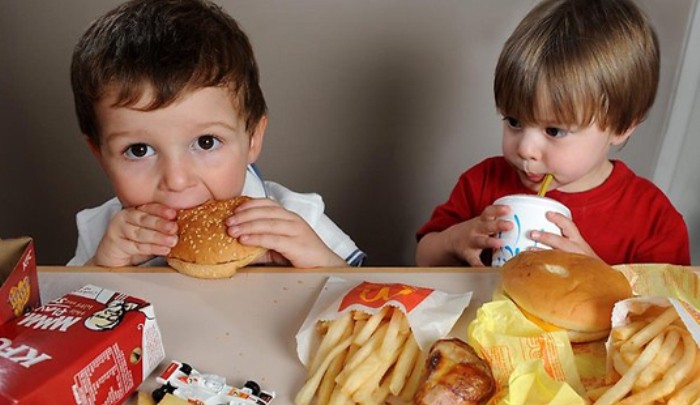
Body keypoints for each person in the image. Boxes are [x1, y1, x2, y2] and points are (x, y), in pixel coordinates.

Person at [68, 0, 365, 268]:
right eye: (139, 150)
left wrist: (320, 264)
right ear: (100, 155)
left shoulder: (298, 217)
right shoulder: (102, 232)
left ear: (252, 139)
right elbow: (59, 319)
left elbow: (366, 300)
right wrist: (101, 269)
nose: (177, 180)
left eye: (206, 142)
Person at [416, 0, 690, 267]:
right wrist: (453, 241)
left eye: (554, 130)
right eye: (514, 121)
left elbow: (671, 308)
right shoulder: (482, 183)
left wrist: (598, 276)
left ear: (622, 126)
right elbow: (424, 258)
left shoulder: (652, 219)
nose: (525, 149)